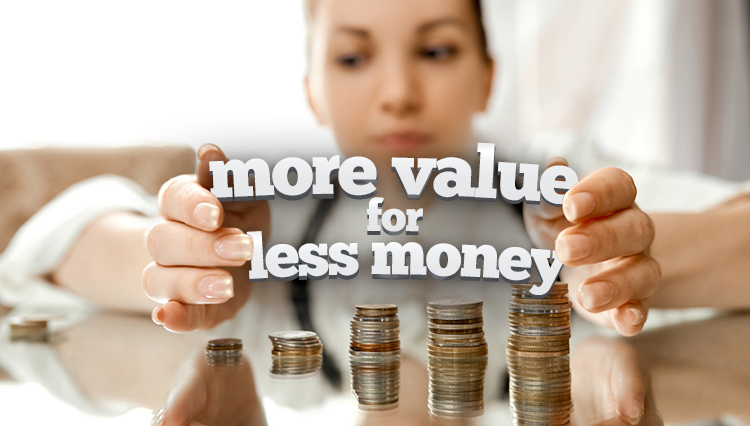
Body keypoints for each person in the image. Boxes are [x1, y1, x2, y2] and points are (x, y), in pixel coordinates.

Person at [3, 0, 750, 424]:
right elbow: (52, 253)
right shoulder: (281, 238)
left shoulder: (562, 173)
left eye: (435, 51)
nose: (397, 92)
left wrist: (622, 258)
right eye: (355, 58)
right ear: (312, 91)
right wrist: (180, 260)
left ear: (489, 79)